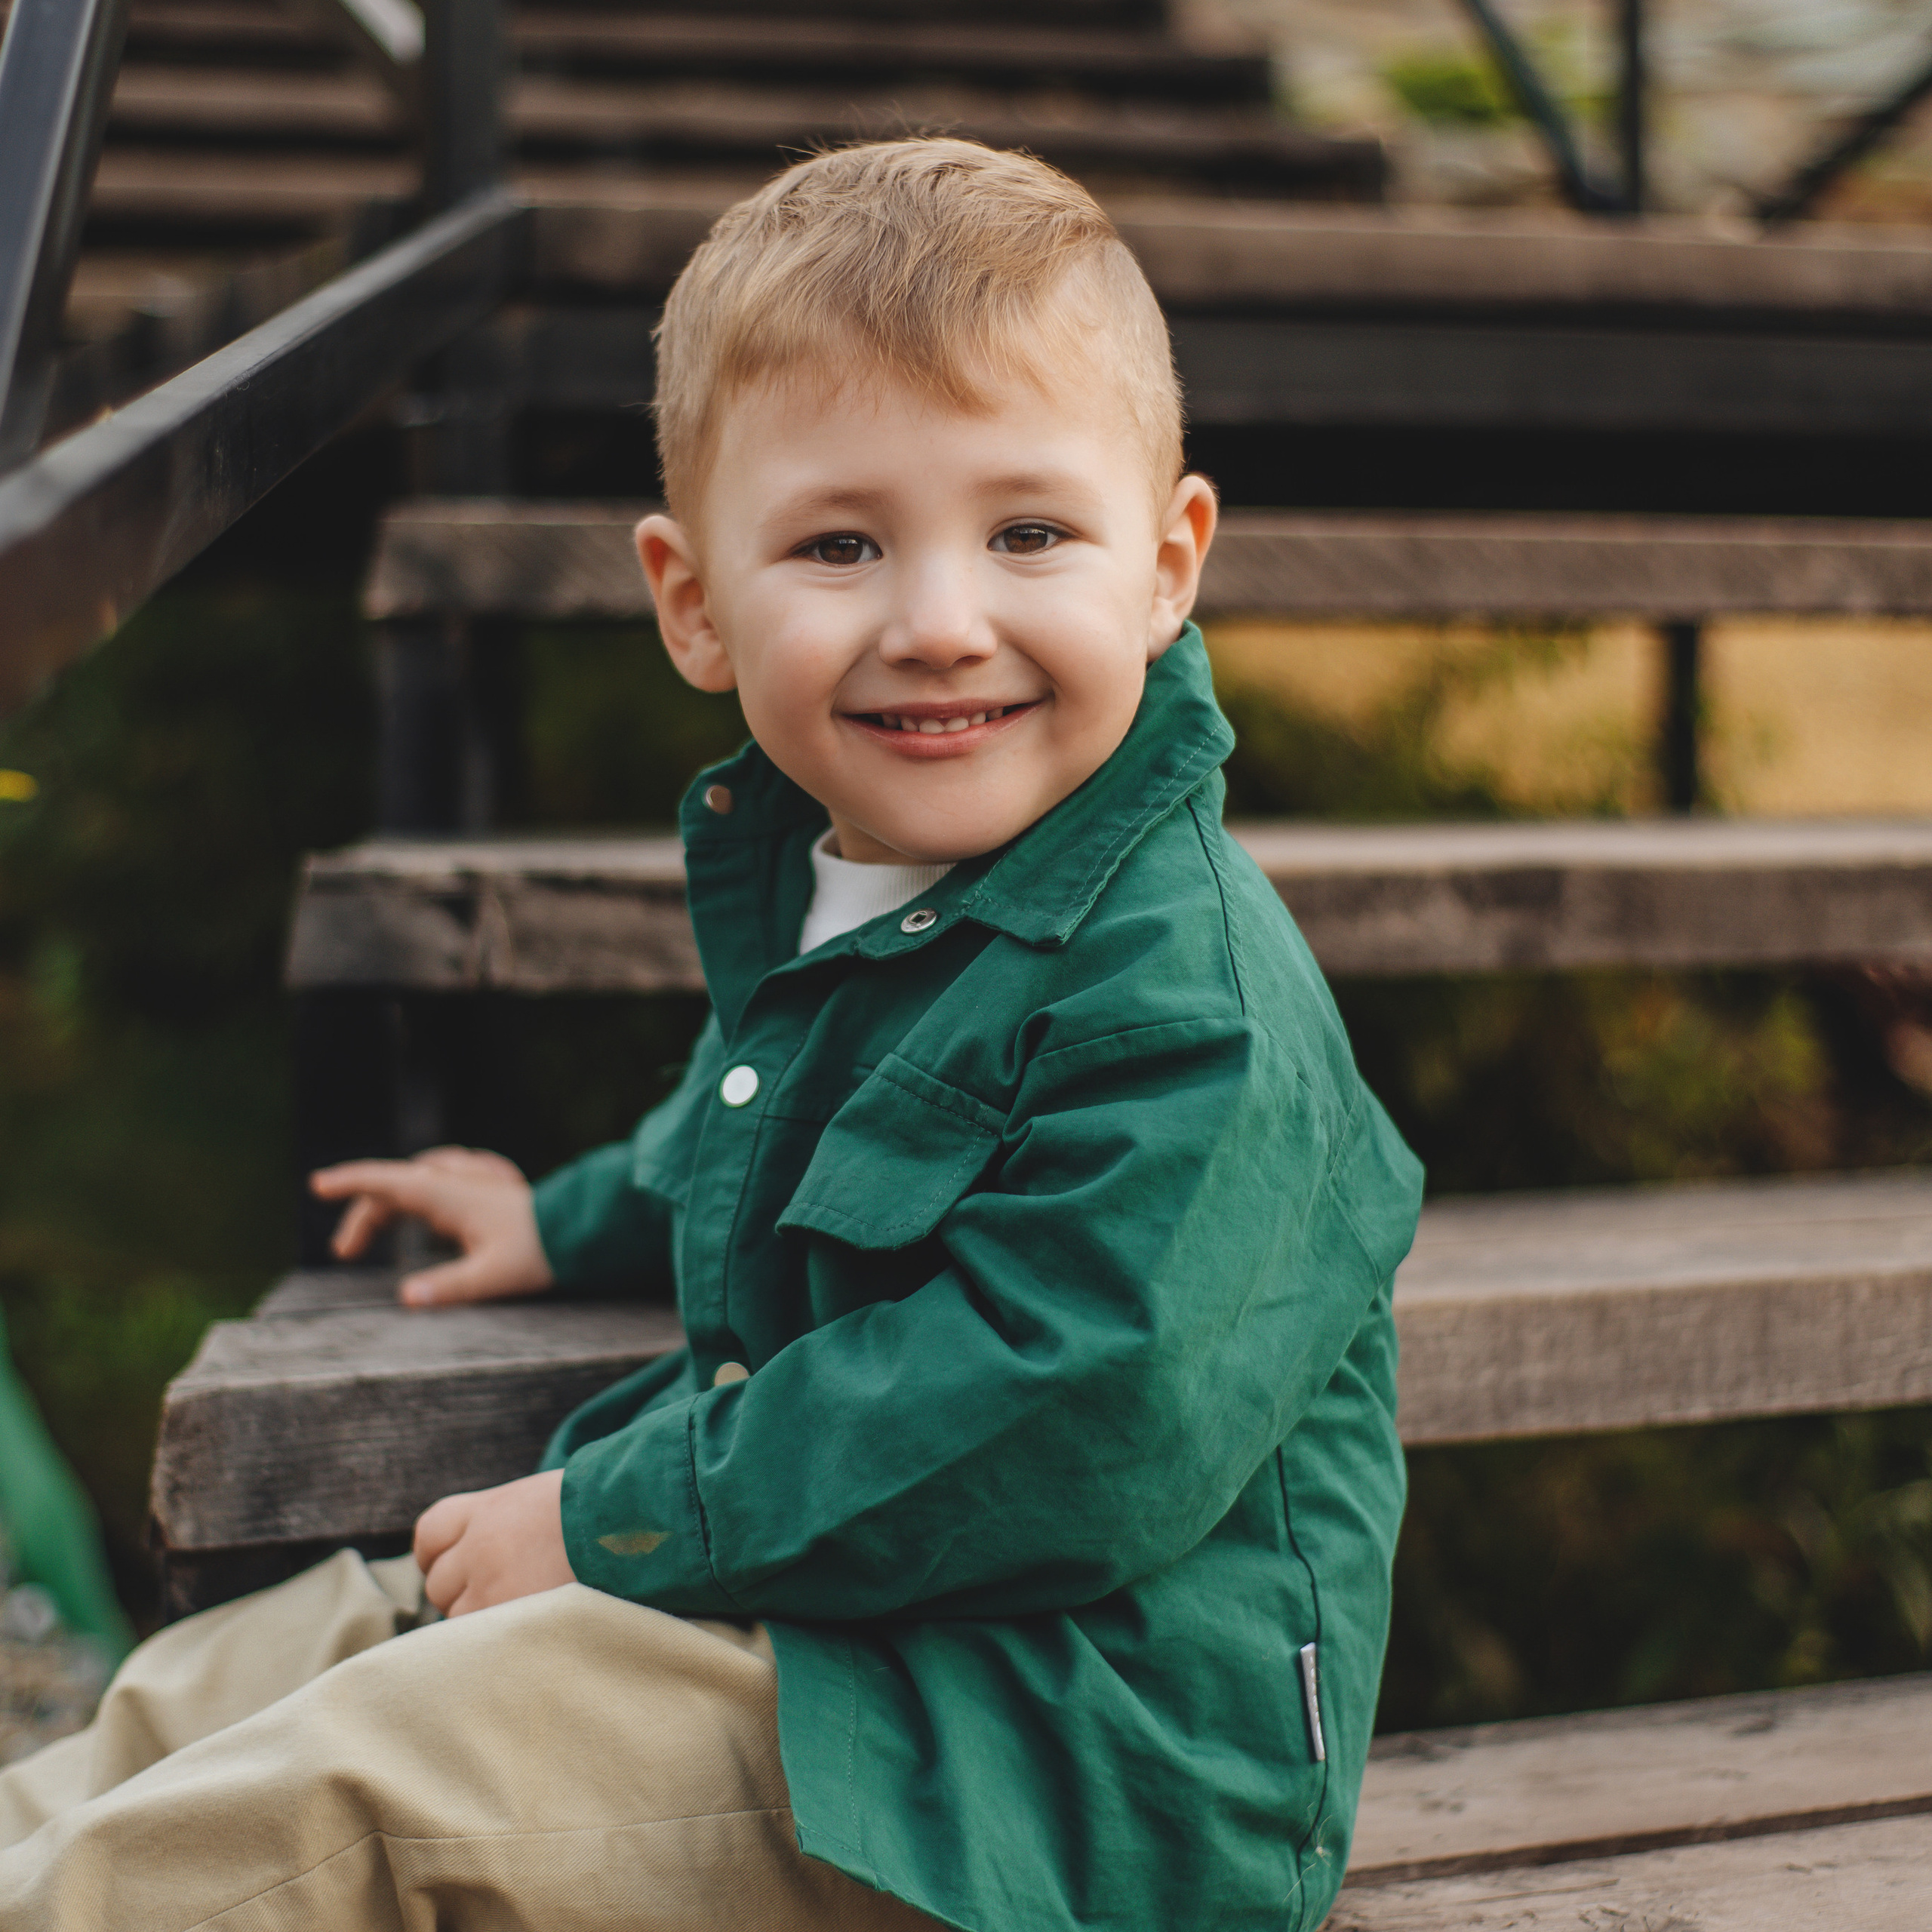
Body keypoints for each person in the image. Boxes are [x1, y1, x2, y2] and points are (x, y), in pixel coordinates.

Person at [0, 137, 1422, 1932]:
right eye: (840, 541)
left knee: (376, 1782)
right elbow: (756, 1132)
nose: (936, 619)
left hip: (1040, 1769)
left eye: (1028, 532)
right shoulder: (875, 881)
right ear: (689, 598)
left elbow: (1068, 1411)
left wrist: (612, 1520)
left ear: (1164, 562)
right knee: (275, 1659)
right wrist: (568, 1212)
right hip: (840, 1631)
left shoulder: (1186, 996)